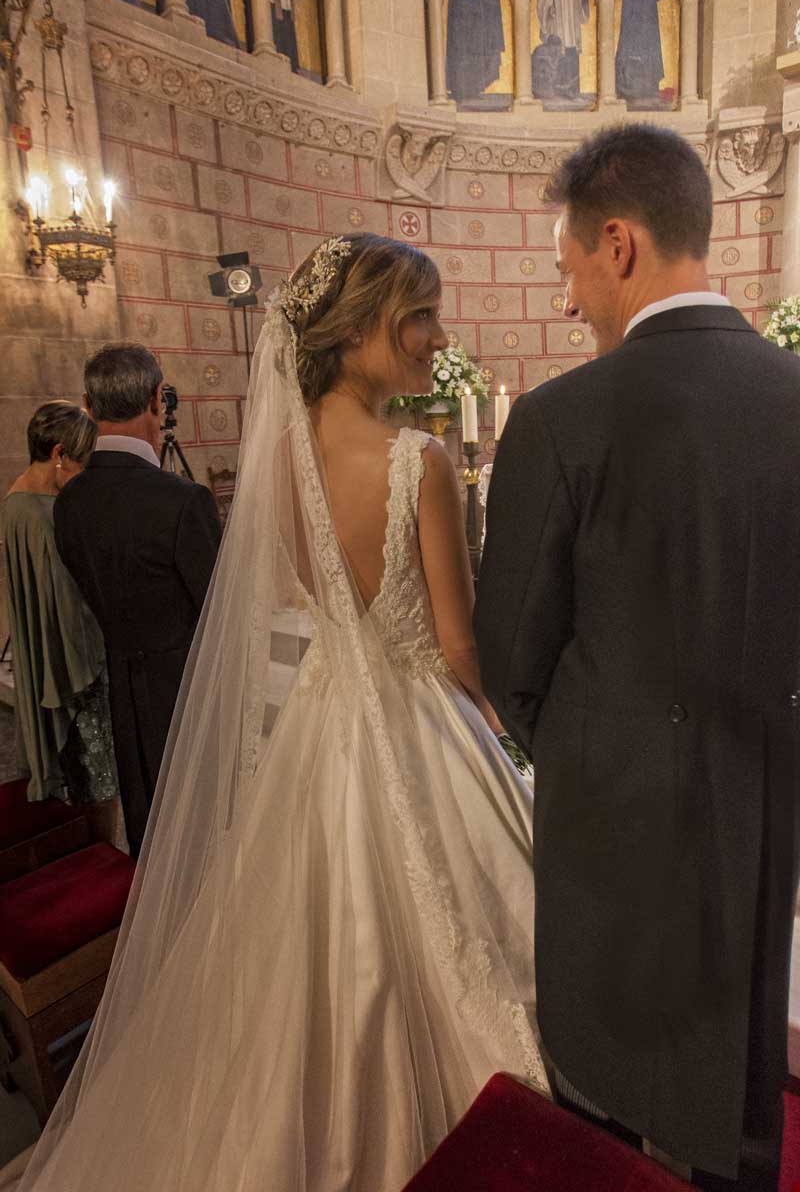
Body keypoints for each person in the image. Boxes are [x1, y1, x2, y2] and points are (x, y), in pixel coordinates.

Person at [17, 235, 546, 1192]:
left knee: (291, 963)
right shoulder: (416, 460)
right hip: (416, 720)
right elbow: (456, 644)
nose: (439, 337)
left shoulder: (278, 464)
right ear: (360, 330)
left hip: (314, 730)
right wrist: (499, 722)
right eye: (421, 316)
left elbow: (289, 606)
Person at [475, 123, 800, 1191]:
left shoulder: (557, 418)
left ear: (616, 244)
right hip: (762, 796)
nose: (567, 299)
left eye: (567, 267)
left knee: (605, 1093)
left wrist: (586, 743)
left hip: (607, 809)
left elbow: (509, 651)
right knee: (736, 1072)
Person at [54, 344, 221, 858]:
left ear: (88, 406)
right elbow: (220, 608)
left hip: (122, 692)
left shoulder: (69, 501)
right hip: (190, 694)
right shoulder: (183, 500)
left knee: (150, 830)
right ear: (157, 398)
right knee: (206, 833)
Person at [3, 401, 119, 834]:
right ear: (58, 454)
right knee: (99, 784)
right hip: (76, 669)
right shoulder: (41, 516)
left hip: (52, 658)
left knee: (80, 782)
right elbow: (70, 607)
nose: (85, 474)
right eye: (82, 462)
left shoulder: (17, 499)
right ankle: (104, 860)